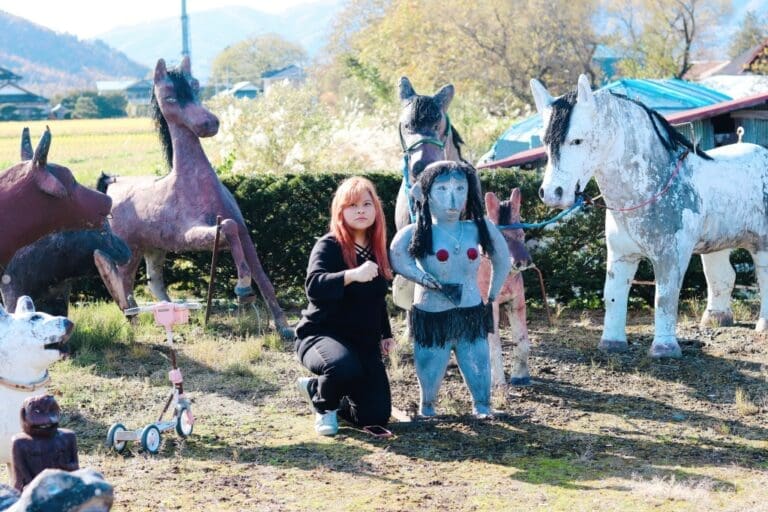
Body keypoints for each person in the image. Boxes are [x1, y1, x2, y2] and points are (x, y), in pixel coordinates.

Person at [390, 161, 510, 418]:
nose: (453, 199)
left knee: (477, 359)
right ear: (425, 194)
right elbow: (397, 256)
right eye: (442, 189)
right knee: (430, 362)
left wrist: (492, 293)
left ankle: (482, 405)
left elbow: (502, 257)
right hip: (431, 314)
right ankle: (427, 406)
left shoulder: (478, 228)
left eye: (460, 189)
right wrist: (420, 277)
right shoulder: (419, 232)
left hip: (470, 311)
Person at [295, 176, 395, 436]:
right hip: (320, 336)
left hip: (362, 344)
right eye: (352, 205)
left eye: (366, 204)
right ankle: (323, 405)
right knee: (342, 366)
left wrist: (386, 334)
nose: (360, 210)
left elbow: (376, 299)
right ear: (340, 211)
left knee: (375, 416)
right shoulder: (329, 245)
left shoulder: (376, 249)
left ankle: (328, 392)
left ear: (376, 209)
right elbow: (314, 286)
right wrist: (351, 275)